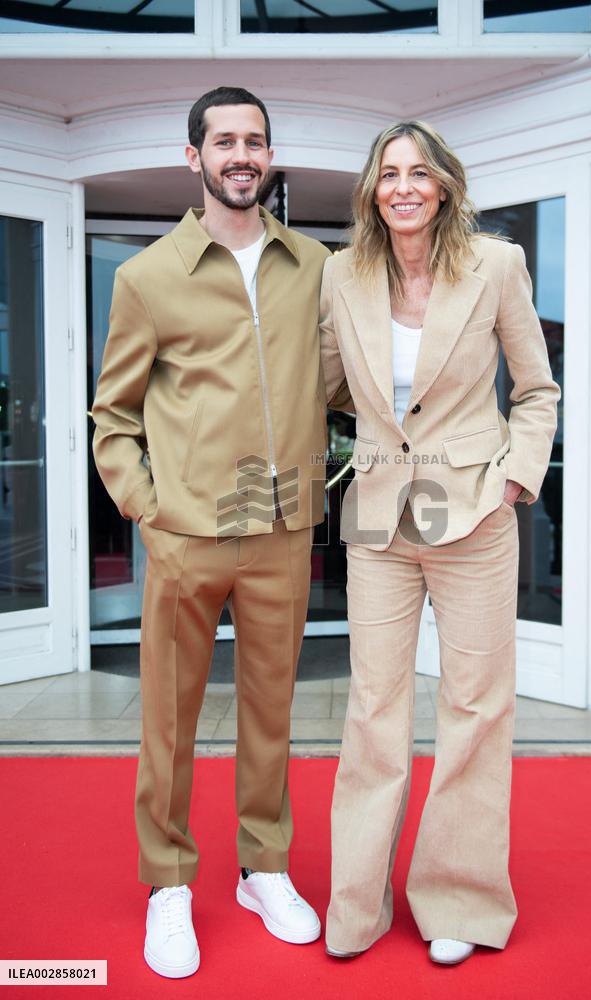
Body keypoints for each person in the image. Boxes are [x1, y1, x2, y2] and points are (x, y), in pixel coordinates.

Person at [92, 86, 342, 978]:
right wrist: (146, 507)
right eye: (225, 141)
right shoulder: (146, 277)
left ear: (270, 156)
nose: (243, 155)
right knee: (169, 720)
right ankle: (168, 882)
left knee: (272, 715)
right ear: (193, 156)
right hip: (187, 532)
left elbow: (338, 380)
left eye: (256, 140)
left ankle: (262, 869)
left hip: (282, 525)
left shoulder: (315, 265)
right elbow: (113, 416)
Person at [320, 121, 560, 965]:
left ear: (445, 185)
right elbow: (325, 384)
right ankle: (356, 907)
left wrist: (515, 479)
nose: (404, 187)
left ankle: (459, 899)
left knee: (474, 708)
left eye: (419, 172)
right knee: (373, 711)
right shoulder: (341, 274)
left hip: (475, 515)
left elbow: (536, 389)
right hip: (380, 519)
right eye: (389, 174)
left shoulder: (496, 264)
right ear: (372, 191)